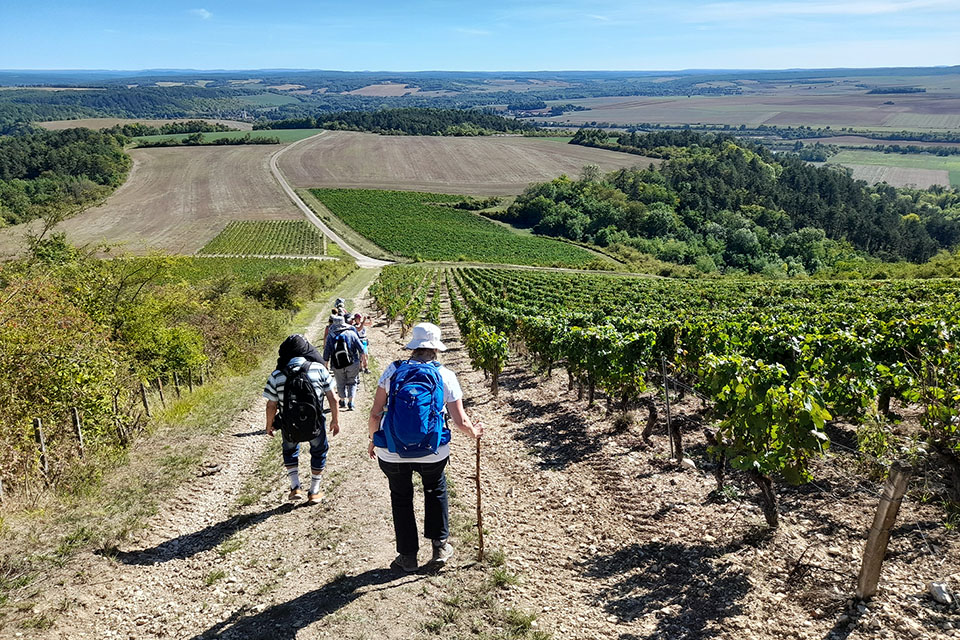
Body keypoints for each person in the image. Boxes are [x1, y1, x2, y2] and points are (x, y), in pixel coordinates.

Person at [367, 322, 483, 573]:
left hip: (392, 450)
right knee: (435, 490)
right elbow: (460, 420)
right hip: (433, 451)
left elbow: (376, 414)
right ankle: (440, 547)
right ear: (436, 350)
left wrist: (373, 440)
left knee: (401, 498)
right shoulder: (445, 375)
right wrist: (475, 433)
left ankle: (407, 557)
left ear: (413, 347)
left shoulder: (392, 370)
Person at [263, 334, 340, 504]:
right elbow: (333, 398)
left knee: (290, 451)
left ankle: (295, 487)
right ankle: (314, 491)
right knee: (319, 452)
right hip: (316, 423)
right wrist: (335, 420)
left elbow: (271, 405)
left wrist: (269, 426)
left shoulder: (277, 375)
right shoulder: (319, 369)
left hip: (288, 424)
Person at [323, 314, 365, 411]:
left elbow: (326, 352)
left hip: (337, 364)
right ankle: (351, 402)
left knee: (340, 383)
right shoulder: (351, 333)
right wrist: (361, 361)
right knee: (352, 382)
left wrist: (326, 365)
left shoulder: (330, 336)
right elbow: (361, 349)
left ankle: (342, 400)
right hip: (352, 362)